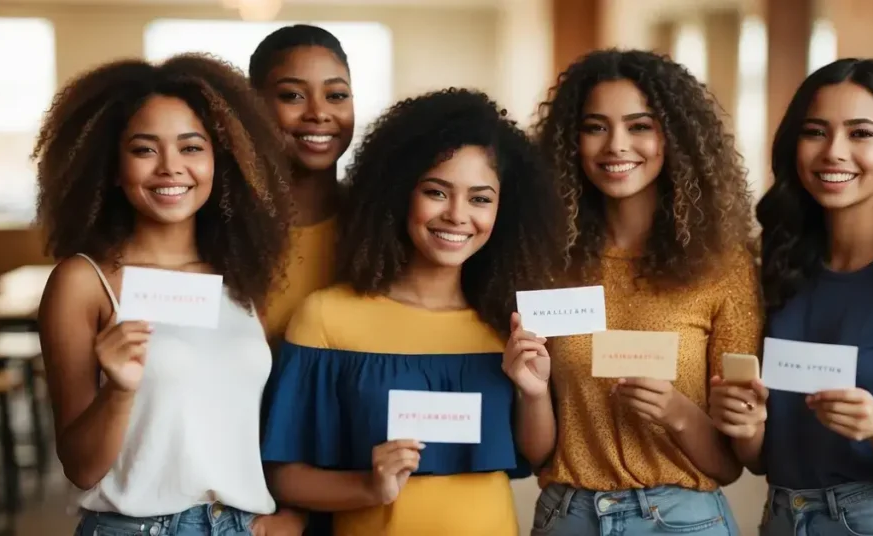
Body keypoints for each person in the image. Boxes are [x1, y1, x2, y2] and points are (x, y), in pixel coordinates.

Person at [260, 88, 564, 535]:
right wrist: (369, 486)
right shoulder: (327, 318)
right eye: (437, 192)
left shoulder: (508, 324)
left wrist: (534, 392)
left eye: (480, 198)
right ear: (399, 194)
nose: (457, 215)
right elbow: (284, 477)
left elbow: (538, 457)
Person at [34, 54, 305, 535]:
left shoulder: (241, 278)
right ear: (113, 167)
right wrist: (119, 390)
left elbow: (239, 420)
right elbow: (79, 466)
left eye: (191, 147)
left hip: (238, 525)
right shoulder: (85, 281)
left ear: (220, 162)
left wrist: (281, 516)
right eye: (144, 150)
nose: (171, 168)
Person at [709, 58, 873, 535]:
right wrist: (748, 428)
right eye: (815, 131)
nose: (834, 152)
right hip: (782, 519)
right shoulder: (776, 272)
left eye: (860, 134)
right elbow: (763, 461)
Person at [512, 49, 761, 535]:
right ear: (571, 141)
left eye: (640, 126)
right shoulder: (546, 262)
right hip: (568, 517)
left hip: (682, 521)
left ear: (675, 138)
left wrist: (678, 413)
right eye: (596, 127)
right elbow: (538, 452)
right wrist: (533, 392)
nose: (616, 145)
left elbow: (732, 466)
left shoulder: (722, 267)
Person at [249, 24, 355, 343]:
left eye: (336, 95)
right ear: (252, 103)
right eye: (292, 95)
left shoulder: (379, 226)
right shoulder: (224, 224)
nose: (319, 113)